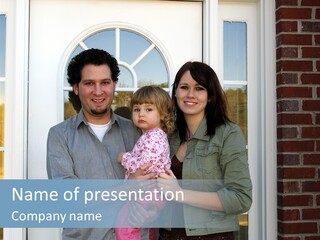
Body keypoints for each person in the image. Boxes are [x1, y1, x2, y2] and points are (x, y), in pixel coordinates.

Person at [46, 48, 155, 240]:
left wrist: (151, 211)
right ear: (76, 87)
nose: (98, 91)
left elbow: (155, 186)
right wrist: (127, 188)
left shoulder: (138, 132)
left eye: (105, 82)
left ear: (114, 85)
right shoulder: (59, 136)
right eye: (89, 83)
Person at [157, 61, 252, 240]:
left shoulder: (227, 134)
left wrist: (179, 193)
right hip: (167, 234)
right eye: (184, 87)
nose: (190, 94)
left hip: (212, 236)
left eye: (199, 88)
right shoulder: (168, 136)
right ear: (176, 92)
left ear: (210, 95)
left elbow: (241, 198)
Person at [116, 86, 175, 240]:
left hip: (149, 191)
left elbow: (145, 166)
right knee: (144, 227)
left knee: (124, 226)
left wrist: (124, 158)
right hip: (150, 192)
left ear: (162, 114)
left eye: (148, 109)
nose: (141, 113)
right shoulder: (149, 135)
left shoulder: (154, 137)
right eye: (136, 109)